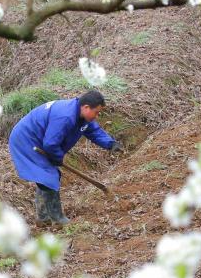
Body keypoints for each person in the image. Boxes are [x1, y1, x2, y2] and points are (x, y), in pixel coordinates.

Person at [9, 90, 124, 225]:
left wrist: (110, 144)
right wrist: (57, 157)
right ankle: (57, 219)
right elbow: (51, 143)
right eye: (96, 112)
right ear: (86, 107)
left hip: (40, 139)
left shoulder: (81, 115)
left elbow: (94, 131)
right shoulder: (66, 116)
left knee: (46, 176)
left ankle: (43, 218)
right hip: (27, 139)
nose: (97, 116)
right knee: (48, 176)